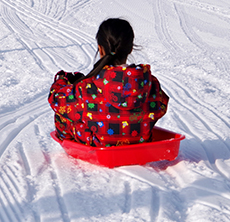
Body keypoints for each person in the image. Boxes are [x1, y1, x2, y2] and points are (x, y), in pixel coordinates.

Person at [48, 18, 169, 147]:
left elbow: (56, 100)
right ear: (130, 49)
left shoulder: (88, 87)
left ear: (100, 49)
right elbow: (161, 106)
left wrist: (61, 81)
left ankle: (70, 144)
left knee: (64, 115)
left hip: (99, 145)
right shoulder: (150, 83)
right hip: (140, 141)